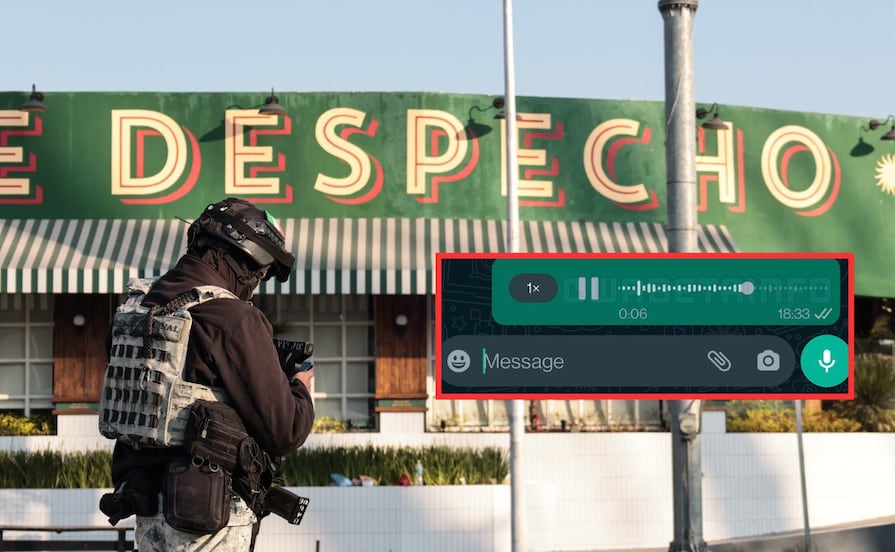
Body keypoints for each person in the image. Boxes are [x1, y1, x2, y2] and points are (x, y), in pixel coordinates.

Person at [99, 197, 316, 551]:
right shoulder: (233, 317)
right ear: (246, 260)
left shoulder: (137, 308)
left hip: (148, 513)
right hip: (209, 520)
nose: (257, 284)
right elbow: (286, 430)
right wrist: (299, 387)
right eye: (261, 273)